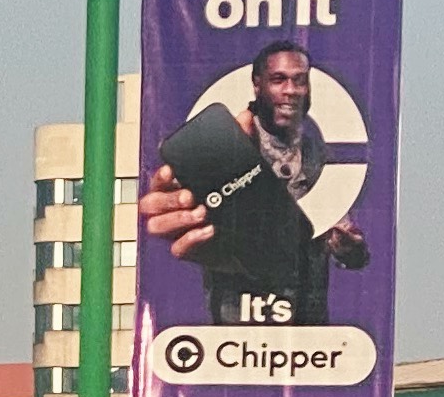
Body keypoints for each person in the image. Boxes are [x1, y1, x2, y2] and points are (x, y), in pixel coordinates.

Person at [139, 39, 369, 328]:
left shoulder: (319, 154)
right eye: (279, 80)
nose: (290, 91)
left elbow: (349, 241)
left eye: (299, 81)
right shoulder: (229, 147)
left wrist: (347, 245)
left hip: (306, 334)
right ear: (257, 85)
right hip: (236, 329)